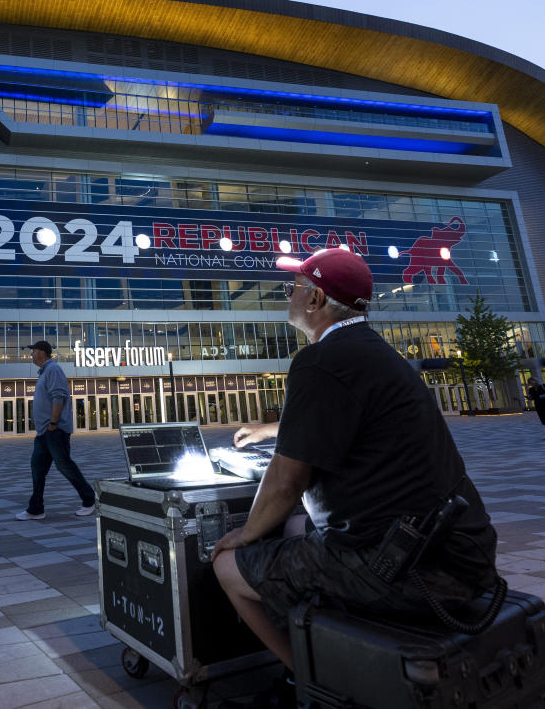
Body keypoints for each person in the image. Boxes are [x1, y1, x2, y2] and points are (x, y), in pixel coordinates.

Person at [211, 249, 499, 703]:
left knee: (229, 566)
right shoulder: (374, 352)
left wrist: (244, 534)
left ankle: (310, 682)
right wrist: (272, 429)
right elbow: (353, 417)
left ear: (315, 299)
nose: (288, 295)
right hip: (458, 552)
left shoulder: (319, 361)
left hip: (402, 569)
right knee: (293, 528)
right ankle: (321, 644)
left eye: (295, 287)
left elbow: (286, 484)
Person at [16, 340, 96, 521]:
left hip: (54, 430)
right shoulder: (45, 372)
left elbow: (58, 396)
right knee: (37, 467)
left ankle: (90, 499)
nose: (31, 355)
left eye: (33, 351)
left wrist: (53, 422)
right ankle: (36, 509)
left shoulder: (53, 370)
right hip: (44, 432)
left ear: (42, 352)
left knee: (64, 465)